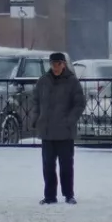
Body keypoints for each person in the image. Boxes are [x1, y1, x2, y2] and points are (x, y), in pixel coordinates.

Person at [30, 52, 85, 205]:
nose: (55, 67)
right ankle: (49, 196)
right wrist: (36, 119)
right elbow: (36, 102)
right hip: (47, 131)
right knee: (48, 166)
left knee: (66, 165)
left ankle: (68, 194)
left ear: (64, 64)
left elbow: (79, 104)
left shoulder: (72, 82)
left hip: (65, 132)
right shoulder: (43, 81)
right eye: (53, 64)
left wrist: (69, 120)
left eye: (58, 64)